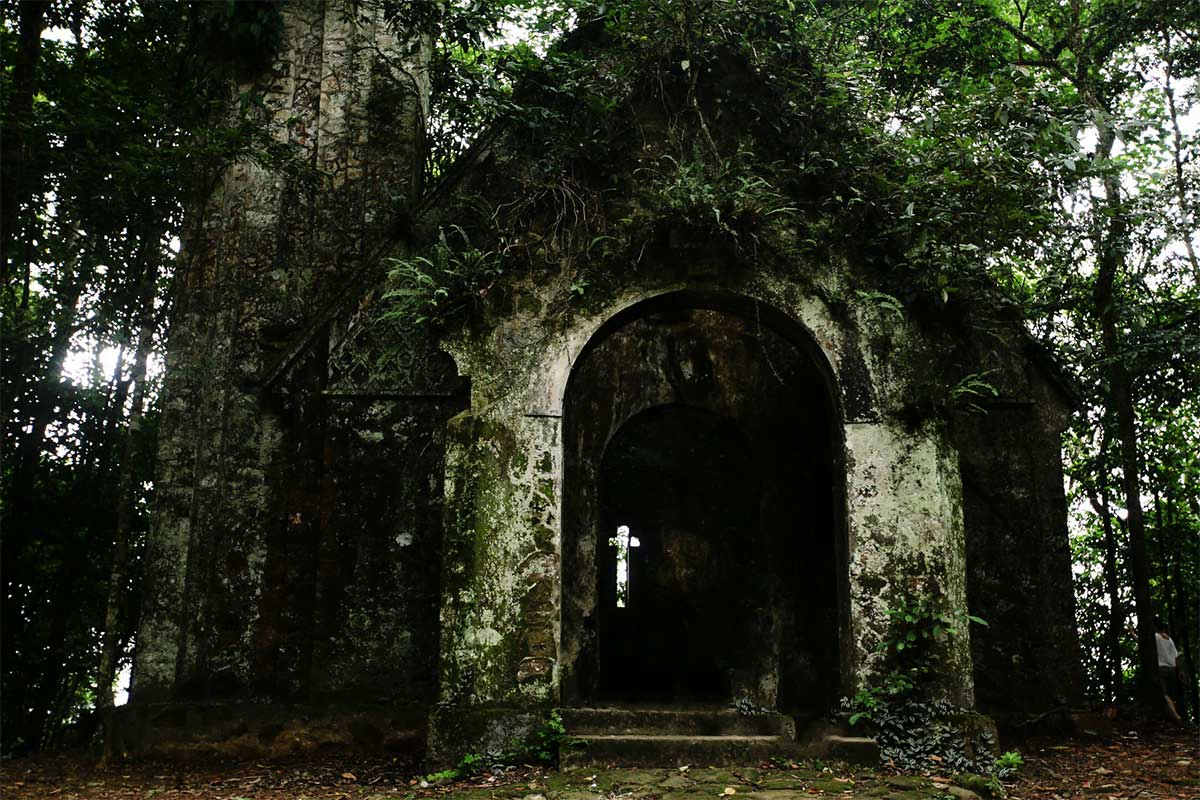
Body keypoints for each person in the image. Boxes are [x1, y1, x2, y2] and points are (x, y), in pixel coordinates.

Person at [1155, 618, 1185, 723]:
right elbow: (1176, 657)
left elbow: (1141, 641)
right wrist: (1180, 672)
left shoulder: (1156, 637)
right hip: (1171, 670)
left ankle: (1175, 715)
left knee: (1164, 694)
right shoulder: (1170, 640)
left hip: (1161, 668)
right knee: (1170, 695)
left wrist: (1131, 632)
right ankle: (1173, 715)